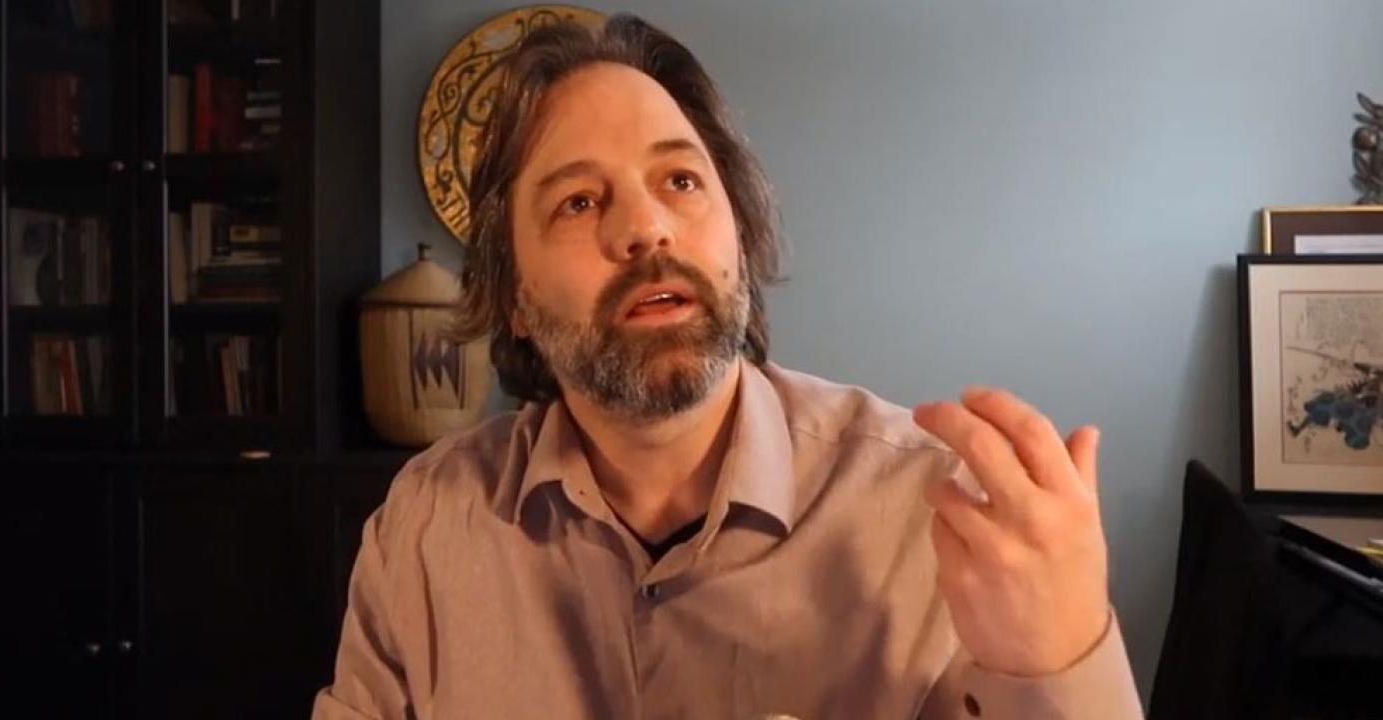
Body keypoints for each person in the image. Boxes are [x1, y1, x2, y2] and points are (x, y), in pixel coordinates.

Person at [315, 13, 1142, 719]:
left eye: (680, 179)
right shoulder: (425, 529)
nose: (647, 229)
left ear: (738, 241)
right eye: (578, 201)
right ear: (517, 298)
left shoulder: (938, 520)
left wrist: (1057, 659)